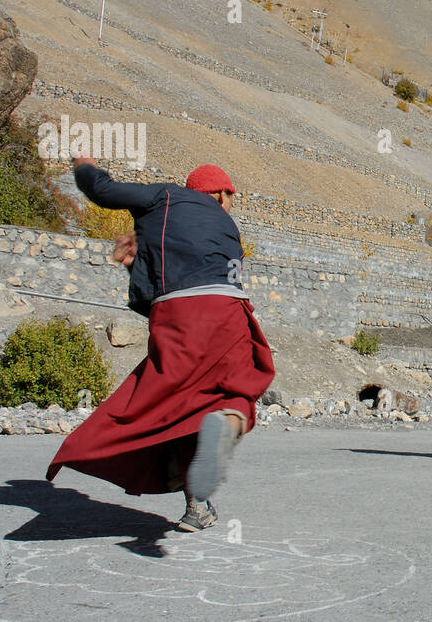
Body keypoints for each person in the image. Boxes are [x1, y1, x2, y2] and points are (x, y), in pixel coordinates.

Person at [47, 156, 275, 532]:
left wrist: (83, 168)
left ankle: (197, 507)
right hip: (227, 311)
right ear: (220, 194)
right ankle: (229, 422)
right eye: (230, 195)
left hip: (176, 316)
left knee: (178, 406)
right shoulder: (227, 228)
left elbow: (102, 192)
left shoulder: (163, 200)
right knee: (235, 388)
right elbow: (220, 279)